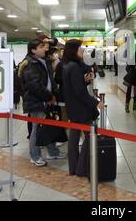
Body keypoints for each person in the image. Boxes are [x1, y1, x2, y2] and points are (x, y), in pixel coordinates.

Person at [20, 39, 67, 167]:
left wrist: (54, 95)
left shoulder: (44, 61)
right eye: (41, 47)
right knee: (37, 130)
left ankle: (52, 152)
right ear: (33, 50)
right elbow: (34, 85)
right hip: (37, 101)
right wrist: (48, 97)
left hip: (49, 100)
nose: (45, 49)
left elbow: (50, 80)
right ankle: (35, 156)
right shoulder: (29, 63)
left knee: (49, 126)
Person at [62, 39, 105, 177]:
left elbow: (75, 86)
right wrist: (95, 102)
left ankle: (74, 168)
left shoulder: (68, 65)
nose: (82, 51)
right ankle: (82, 168)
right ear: (73, 50)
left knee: (74, 137)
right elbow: (79, 91)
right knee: (90, 136)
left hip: (72, 107)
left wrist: (84, 80)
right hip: (80, 108)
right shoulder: (73, 67)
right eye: (80, 49)